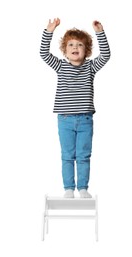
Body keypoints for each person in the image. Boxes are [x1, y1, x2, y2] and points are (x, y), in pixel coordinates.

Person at [40, 18, 111, 198]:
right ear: (65, 50)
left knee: (84, 155)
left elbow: (106, 56)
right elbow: (44, 54)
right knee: (67, 155)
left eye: (80, 45)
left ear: (86, 51)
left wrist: (100, 32)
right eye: (71, 44)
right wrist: (49, 31)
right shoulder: (61, 66)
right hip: (64, 119)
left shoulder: (90, 67)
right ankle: (69, 188)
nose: (75, 47)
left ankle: (83, 188)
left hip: (85, 119)